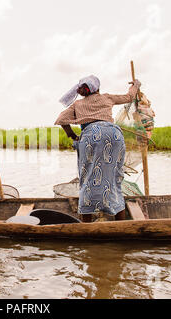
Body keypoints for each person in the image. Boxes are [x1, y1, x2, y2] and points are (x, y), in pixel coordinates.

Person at [55, 75, 141, 222]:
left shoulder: (78, 104)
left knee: (87, 178)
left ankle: (86, 224)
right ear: (98, 89)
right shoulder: (107, 98)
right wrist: (136, 85)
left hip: (90, 137)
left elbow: (61, 119)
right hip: (114, 135)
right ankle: (120, 223)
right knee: (115, 178)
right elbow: (129, 97)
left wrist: (73, 136)